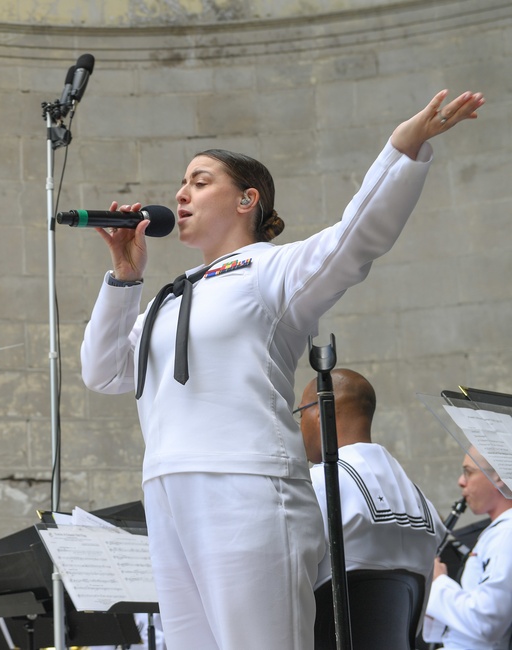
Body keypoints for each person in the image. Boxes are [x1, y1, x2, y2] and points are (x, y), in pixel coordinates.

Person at [78, 89, 485, 649]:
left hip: (246, 484)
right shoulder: (167, 300)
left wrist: (403, 147)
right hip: (167, 488)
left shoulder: (272, 269)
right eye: (182, 183)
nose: (181, 193)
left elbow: (357, 235)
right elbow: (105, 372)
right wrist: (125, 276)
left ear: (248, 200)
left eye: (200, 181)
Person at [297, 368, 445, 593]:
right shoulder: (426, 508)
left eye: (300, 414)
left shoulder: (316, 487)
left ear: (320, 411)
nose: (299, 427)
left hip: (326, 628)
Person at [422, 449, 512, 649]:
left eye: (468, 472)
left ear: (498, 477)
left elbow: (487, 623)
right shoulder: (500, 530)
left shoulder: (507, 532)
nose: (461, 481)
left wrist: (439, 582)